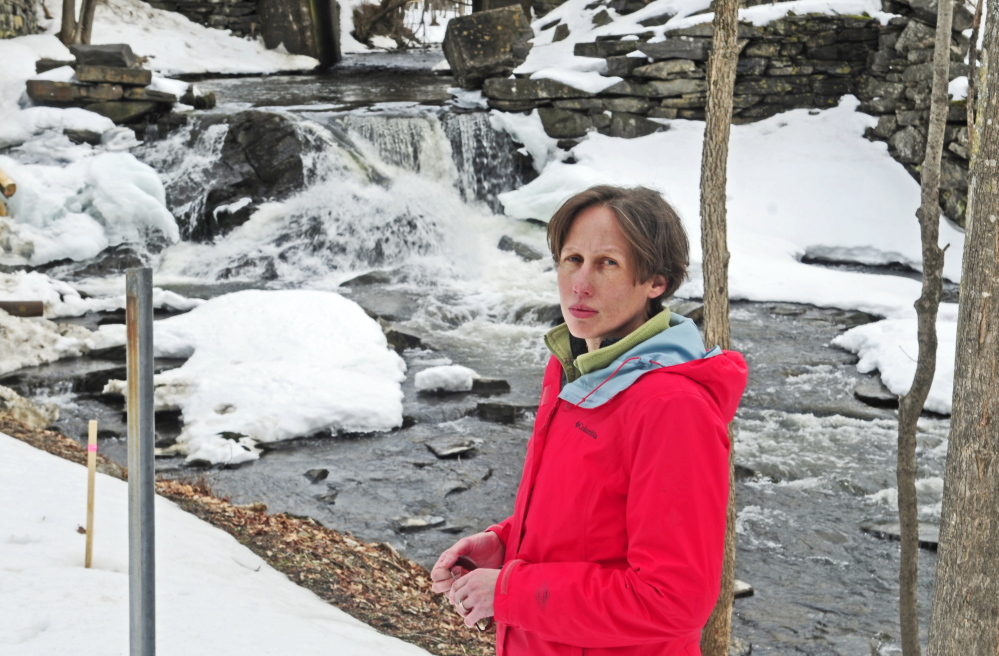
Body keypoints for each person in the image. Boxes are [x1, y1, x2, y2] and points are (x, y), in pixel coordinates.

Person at [430, 185, 748, 656]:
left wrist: (511, 592)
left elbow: (673, 601)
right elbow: (588, 519)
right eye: (572, 259)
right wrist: (506, 542)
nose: (580, 283)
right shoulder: (574, 367)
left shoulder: (672, 407)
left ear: (655, 282)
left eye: (607, 263)